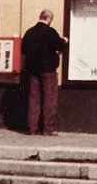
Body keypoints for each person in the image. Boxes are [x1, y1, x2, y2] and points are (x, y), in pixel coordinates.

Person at [20, 9, 68, 137]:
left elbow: (23, 49)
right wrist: (64, 40)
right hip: (48, 71)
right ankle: (48, 129)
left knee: (33, 99)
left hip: (32, 70)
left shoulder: (29, 32)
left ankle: (32, 129)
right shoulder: (50, 32)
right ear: (49, 19)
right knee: (49, 99)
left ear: (40, 17)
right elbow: (59, 45)